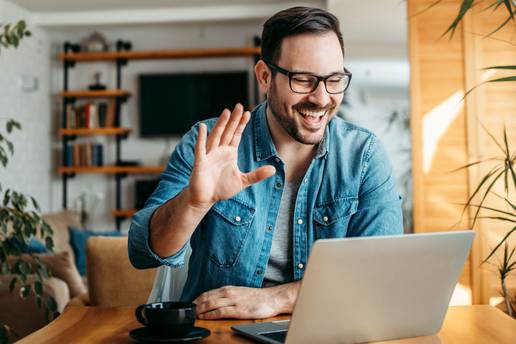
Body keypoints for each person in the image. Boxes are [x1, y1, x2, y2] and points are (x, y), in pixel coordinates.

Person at [128, 6, 403, 320]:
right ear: (264, 76)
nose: (322, 98)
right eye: (303, 80)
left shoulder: (364, 156)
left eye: (334, 80)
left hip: (330, 327)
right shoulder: (207, 144)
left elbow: (380, 273)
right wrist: (193, 204)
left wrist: (278, 299)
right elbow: (141, 253)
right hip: (219, 333)